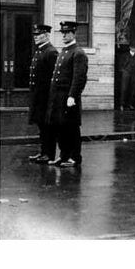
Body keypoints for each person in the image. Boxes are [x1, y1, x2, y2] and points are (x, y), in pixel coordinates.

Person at [46, 21, 88, 167]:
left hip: (68, 97)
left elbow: (79, 78)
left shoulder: (78, 53)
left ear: (74, 33)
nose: (64, 35)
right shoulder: (65, 51)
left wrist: (72, 96)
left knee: (71, 128)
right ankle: (64, 155)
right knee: (60, 128)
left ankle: (74, 157)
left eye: (67, 32)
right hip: (58, 97)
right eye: (62, 33)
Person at [28, 24, 59, 164]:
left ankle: (49, 154)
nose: (35, 37)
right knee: (41, 125)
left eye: (38, 35)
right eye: (35, 35)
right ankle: (43, 152)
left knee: (48, 127)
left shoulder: (51, 52)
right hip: (38, 96)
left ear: (46, 35)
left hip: (46, 97)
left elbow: (53, 78)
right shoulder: (40, 51)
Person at [119, 44, 135, 111]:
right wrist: (123, 71)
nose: (133, 49)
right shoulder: (124, 55)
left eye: (134, 47)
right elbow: (120, 64)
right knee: (124, 89)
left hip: (134, 74)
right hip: (126, 73)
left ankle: (130, 104)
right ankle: (122, 104)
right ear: (129, 48)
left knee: (133, 89)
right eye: (132, 47)